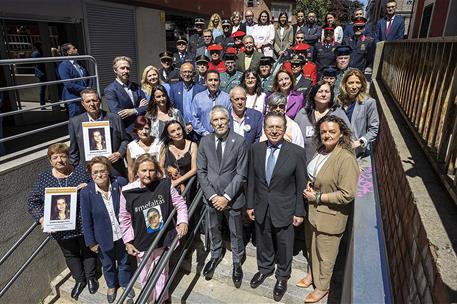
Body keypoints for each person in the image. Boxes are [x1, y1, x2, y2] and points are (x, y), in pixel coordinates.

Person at [247, 111, 307, 302]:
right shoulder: (255, 149)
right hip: (261, 205)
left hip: (285, 208)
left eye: (278, 127)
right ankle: (265, 269)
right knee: (263, 240)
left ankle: (282, 276)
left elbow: (301, 185)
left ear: (284, 129)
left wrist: (299, 211)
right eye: (270, 127)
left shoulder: (297, 153)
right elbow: (251, 181)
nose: (274, 131)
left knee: (284, 244)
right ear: (265, 129)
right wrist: (250, 205)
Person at [27, 143, 98, 300]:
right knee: (70, 254)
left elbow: (98, 184)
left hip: (83, 222)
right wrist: (42, 218)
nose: (60, 160)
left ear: (68, 157)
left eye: (63, 156)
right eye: (55, 157)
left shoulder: (80, 171)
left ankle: (91, 277)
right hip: (61, 228)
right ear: (50, 161)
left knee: (88, 250)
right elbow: (32, 201)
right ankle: (80, 280)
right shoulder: (43, 178)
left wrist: (89, 186)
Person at [301, 115, 359, 303]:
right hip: (314, 212)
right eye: (323, 131)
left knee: (326, 256)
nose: (327, 135)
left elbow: (347, 194)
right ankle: (312, 276)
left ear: (341, 133)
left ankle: (322, 288)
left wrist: (318, 197)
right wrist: (311, 185)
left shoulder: (346, 158)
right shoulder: (322, 150)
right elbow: (318, 175)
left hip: (330, 216)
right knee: (312, 248)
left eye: (332, 131)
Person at [119, 154, 188, 303]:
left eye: (151, 170)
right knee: (144, 274)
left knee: (162, 272)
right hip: (142, 241)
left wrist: (183, 222)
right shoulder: (127, 191)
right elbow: (124, 218)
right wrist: (128, 241)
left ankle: (162, 299)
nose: (148, 174)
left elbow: (180, 204)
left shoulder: (164, 185)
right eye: (143, 170)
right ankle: (149, 300)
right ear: (137, 171)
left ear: (156, 171)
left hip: (163, 238)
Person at [197, 105, 248, 287]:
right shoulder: (205, 142)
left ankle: (237, 262)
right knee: (213, 228)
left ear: (228, 121)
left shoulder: (240, 141)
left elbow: (241, 173)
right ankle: (215, 255)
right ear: (211, 123)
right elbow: (201, 172)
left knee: (236, 231)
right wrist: (212, 196)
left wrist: (226, 196)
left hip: (232, 198)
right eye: (216, 120)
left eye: (222, 119)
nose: (219, 123)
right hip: (211, 198)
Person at [80, 157, 133, 303]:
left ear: (108, 171)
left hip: (122, 234)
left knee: (124, 262)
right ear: (90, 174)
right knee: (108, 264)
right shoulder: (86, 193)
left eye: (102, 171)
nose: (99, 175)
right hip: (102, 238)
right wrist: (91, 242)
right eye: (95, 172)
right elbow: (86, 220)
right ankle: (111, 286)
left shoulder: (120, 183)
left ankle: (125, 283)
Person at [69, 88, 129, 177]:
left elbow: (125, 140)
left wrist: (119, 153)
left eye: (94, 100)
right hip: (87, 171)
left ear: (100, 101)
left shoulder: (115, 118)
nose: (92, 104)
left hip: (113, 168)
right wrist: (74, 171)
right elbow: (74, 150)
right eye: (88, 101)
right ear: (83, 104)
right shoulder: (75, 122)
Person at [295, 81, 351, 162]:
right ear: (313, 94)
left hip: (331, 162)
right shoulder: (303, 113)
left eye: (327, 92)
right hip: (305, 161)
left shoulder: (338, 113)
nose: (324, 94)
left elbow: (348, 137)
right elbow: (294, 136)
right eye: (320, 91)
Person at [337, 69, 379, 157]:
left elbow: (374, 129)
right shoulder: (338, 100)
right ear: (345, 84)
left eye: (358, 82)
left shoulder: (368, 102)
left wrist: (359, 142)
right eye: (351, 83)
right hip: (336, 147)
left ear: (362, 85)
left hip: (355, 150)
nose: (354, 86)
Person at [105, 56, 148, 138]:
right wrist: (139, 109)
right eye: (122, 68)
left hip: (142, 128)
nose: (126, 71)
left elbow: (147, 106)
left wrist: (134, 111)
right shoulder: (110, 90)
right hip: (126, 131)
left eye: (127, 68)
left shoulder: (136, 86)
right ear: (115, 70)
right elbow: (118, 113)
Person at [159, 120, 198, 195]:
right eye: (173, 131)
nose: (177, 133)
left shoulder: (192, 145)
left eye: (178, 129)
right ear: (169, 135)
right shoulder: (165, 147)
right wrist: (168, 170)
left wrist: (177, 181)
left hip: (189, 185)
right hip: (170, 185)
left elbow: (194, 169)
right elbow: (160, 167)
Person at [169, 62, 206, 138]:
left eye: (189, 72)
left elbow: (202, 110)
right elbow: (172, 108)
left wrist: (193, 124)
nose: (187, 74)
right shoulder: (174, 88)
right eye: (184, 72)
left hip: (197, 128)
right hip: (179, 128)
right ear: (180, 74)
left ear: (194, 73)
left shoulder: (201, 89)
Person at [191, 70, 232, 137]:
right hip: (203, 137)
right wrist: (204, 133)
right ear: (205, 82)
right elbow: (194, 118)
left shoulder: (227, 98)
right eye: (210, 80)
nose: (213, 83)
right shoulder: (198, 98)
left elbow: (230, 118)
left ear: (219, 82)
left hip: (224, 137)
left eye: (216, 80)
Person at [58, 42, 92, 117]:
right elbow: (68, 84)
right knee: (75, 120)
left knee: (85, 118)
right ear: (68, 52)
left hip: (85, 97)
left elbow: (89, 77)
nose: (76, 49)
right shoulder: (63, 65)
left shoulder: (79, 63)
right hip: (73, 98)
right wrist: (85, 89)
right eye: (74, 48)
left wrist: (89, 88)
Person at [126, 116, 161, 182]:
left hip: (157, 181)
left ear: (150, 129)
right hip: (139, 182)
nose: (144, 131)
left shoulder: (159, 143)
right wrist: (132, 185)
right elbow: (130, 169)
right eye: (141, 129)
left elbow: (161, 167)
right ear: (136, 130)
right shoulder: (131, 146)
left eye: (146, 128)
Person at [31, 42, 47, 106]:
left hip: (40, 72)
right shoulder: (39, 53)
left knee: (43, 88)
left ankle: (42, 104)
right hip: (42, 72)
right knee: (43, 88)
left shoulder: (34, 53)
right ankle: (42, 104)